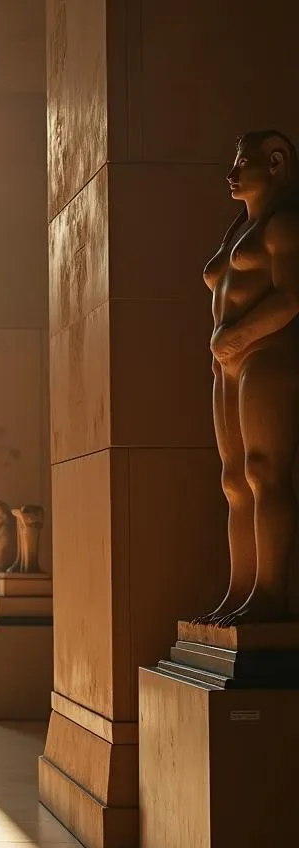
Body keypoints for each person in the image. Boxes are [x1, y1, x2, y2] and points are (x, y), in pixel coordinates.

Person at [198, 130, 299, 625]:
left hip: (266, 356)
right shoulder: (240, 227)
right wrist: (227, 345)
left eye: (243, 164)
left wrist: (239, 335)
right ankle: (240, 588)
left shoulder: (284, 226)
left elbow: (290, 298)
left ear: (276, 162)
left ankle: (271, 593)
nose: (232, 174)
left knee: (264, 472)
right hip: (228, 362)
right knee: (234, 480)